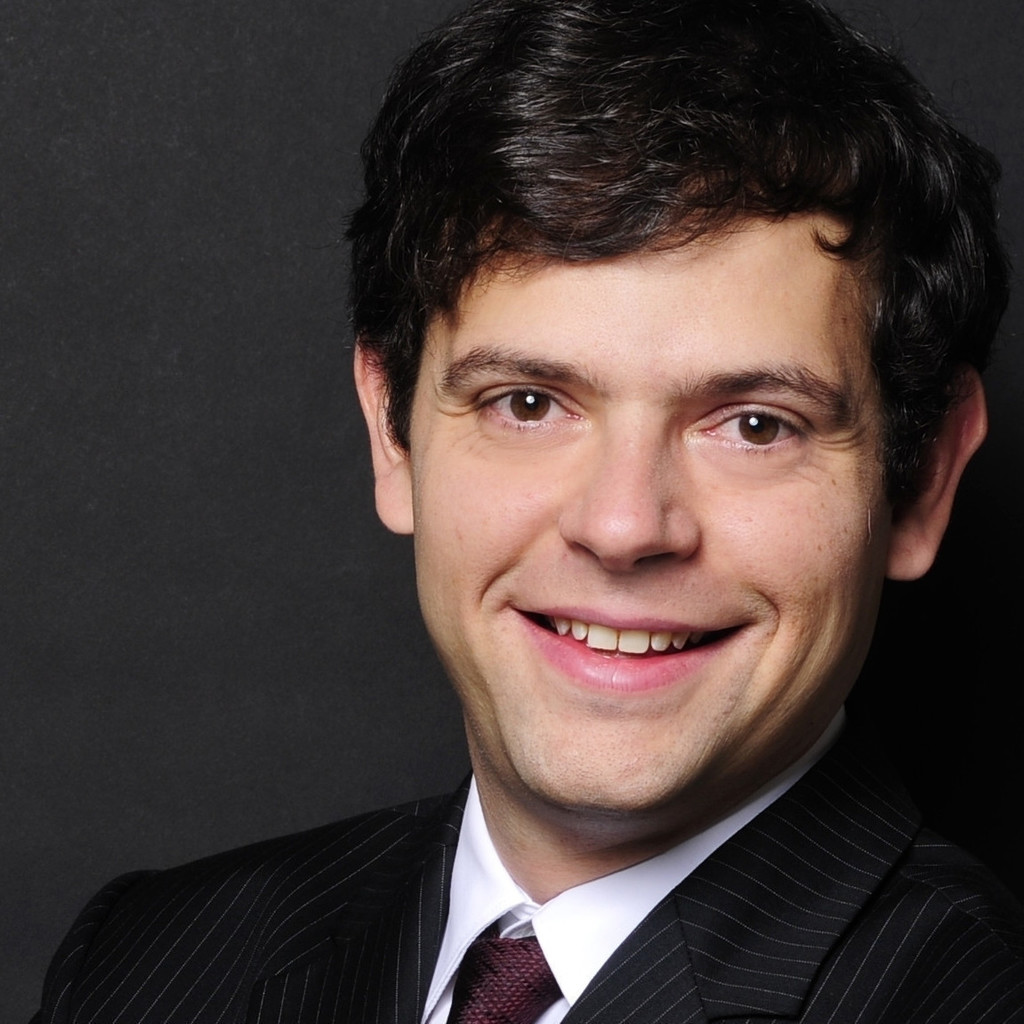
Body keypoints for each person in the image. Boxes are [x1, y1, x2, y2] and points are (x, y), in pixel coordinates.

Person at [33, 0, 1024, 1021]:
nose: (623, 526)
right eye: (529, 403)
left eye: (755, 424)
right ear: (391, 431)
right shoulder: (145, 963)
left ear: (922, 479)